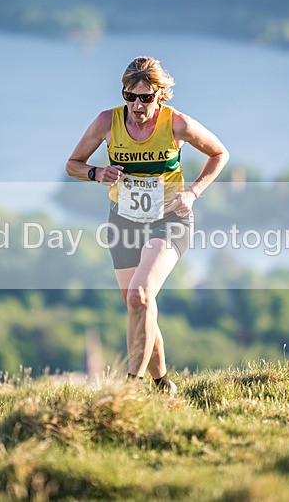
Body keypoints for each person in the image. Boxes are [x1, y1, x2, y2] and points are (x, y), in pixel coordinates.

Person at [66, 56, 229, 393]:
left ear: (160, 95)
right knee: (138, 305)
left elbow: (219, 154)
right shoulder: (106, 122)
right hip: (124, 221)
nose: (137, 106)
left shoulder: (177, 123)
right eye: (130, 96)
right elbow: (73, 164)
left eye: (145, 97)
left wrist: (194, 192)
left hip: (170, 219)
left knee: (141, 295)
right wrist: (97, 173)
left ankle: (129, 388)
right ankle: (162, 383)